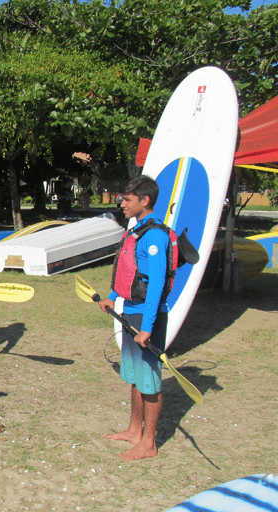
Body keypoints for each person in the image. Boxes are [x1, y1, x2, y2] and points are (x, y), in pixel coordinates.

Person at [98, 175, 170, 460]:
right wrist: (112, 297)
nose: (122, 203)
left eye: (127, 199)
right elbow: (129, 273)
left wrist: (148, 328)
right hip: (130, 313)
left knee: (149, 381)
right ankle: (133, 430)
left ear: (145, 200)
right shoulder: (136, 231)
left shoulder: (155, 236)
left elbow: (154, 286)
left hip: (146, 320)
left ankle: (148, 444)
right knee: (135, 378)